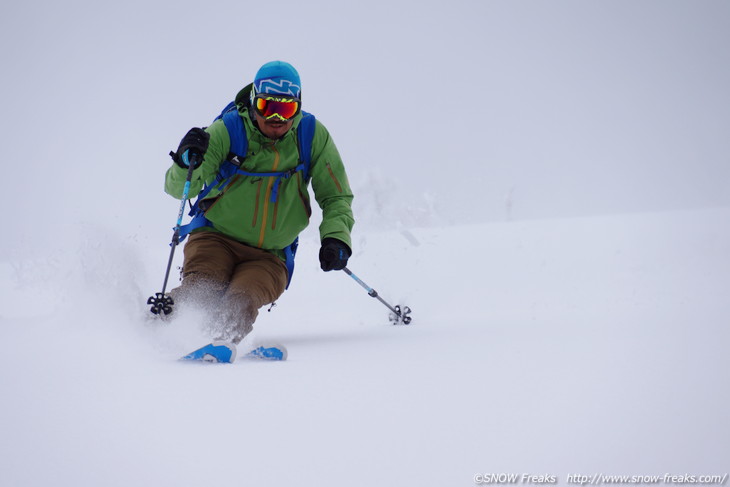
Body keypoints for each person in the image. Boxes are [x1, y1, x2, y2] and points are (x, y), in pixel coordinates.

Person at [163, 61, 354, 344]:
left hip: (270, 255)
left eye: (286, 109)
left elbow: (336, 195)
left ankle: (218, 343)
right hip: (215, 238)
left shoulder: (311, 135)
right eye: (268, 106)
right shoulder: (226, 131)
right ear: (254, 103)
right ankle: (158, 332)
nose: (277, 117)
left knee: (240, 301)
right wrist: (184, 161)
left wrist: (336, 238)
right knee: (200, 293)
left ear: (298, 108)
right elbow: (177, 188)